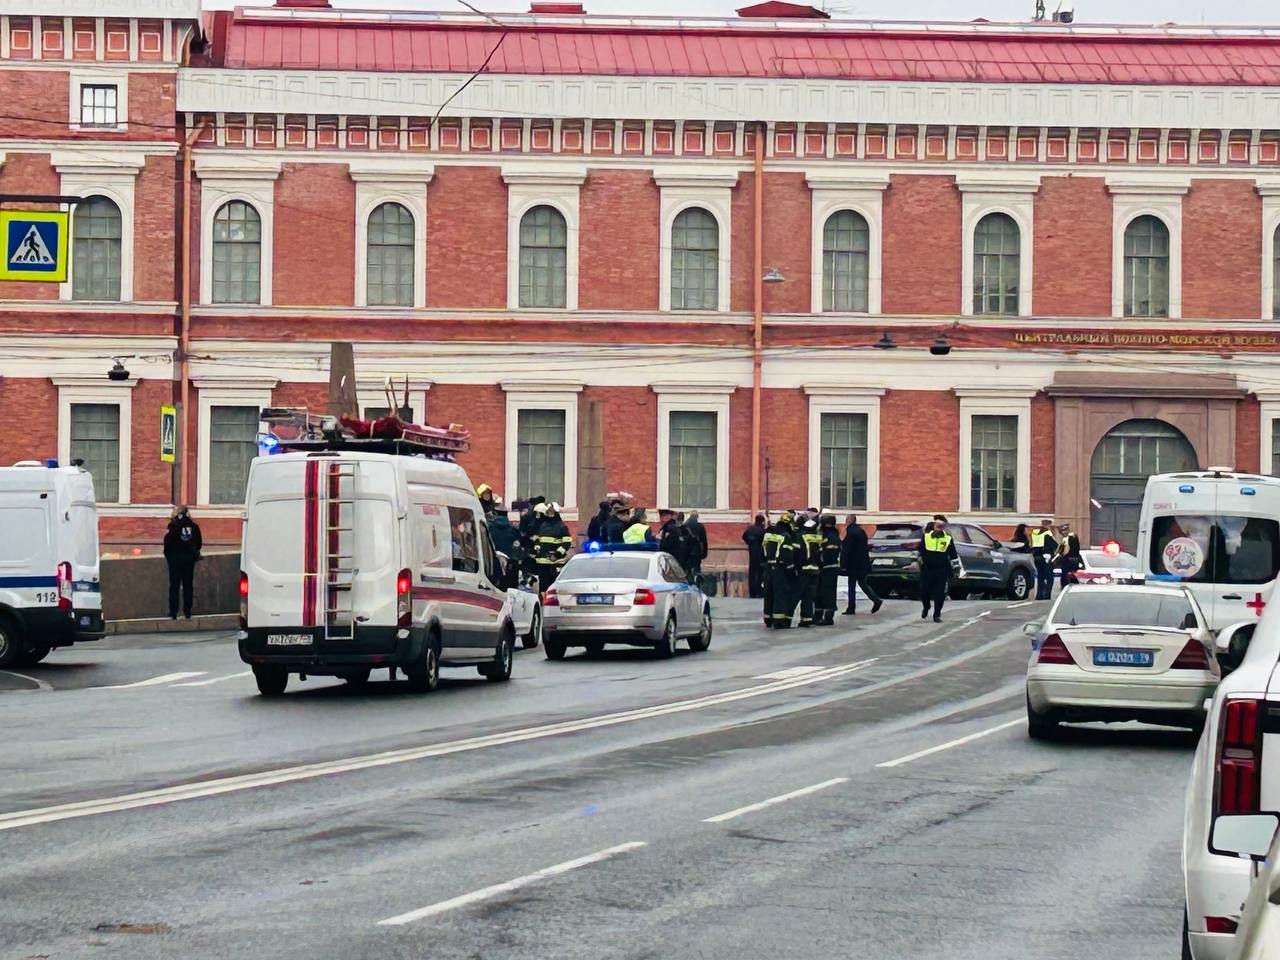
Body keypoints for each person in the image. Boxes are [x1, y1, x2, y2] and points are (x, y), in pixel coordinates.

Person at [163, 505, 203, 620]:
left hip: (175, 561)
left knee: (174, 586)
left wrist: (170, 557)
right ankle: (187, 611)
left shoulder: (173, 527)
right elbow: (199, 543)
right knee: (188, 586)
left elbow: (168, 544)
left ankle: (173, 612)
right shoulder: (194, 527)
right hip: (189, 560)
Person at [762, 510, 799, 629]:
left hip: (768, 568)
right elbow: (787, 557)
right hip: (780, 570)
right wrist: (791, 571)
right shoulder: (785, 537)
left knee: (768, 594)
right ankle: (779, 620)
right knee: (779, 594)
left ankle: (768, 618)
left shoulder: (768, 535)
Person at [918, 516, 958, 623]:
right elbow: (920, 552)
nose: (939, 528)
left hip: (941, 569)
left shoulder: (947, 538)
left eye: (942, 526)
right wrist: (918, 562)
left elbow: (953, 555)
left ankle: (937, 614)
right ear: (934, 526)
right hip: (927, 569)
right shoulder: (926, 537)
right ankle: (926, 606)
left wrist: (957, 569)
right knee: (924, 591)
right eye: (938, 526)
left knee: (939, 593)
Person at [841, 514, 882, 615]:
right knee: (862, 583)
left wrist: (843, 563)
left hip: (853, 564)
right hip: (863, 562)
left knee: (852, 585)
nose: (846, 521)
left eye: (847, 519)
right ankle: (876, 600)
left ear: (850, 520)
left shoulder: (850, 532)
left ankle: (851, 608)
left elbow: (847, 549)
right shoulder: (861, 531)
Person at [533, 502, 572, 593]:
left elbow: (566, 543)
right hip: (543, 563)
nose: (549, 514)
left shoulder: (561, 527)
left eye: (551, 512)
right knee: (543, 589)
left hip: (556, 563)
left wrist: (557, 554)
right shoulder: (542, 526)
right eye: (548, 512)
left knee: (554, 588)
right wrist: (537, 547)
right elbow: (538, 540)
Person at [815, 512, 842, 625]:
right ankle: (817, 615)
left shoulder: (832, 537)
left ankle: (828, 617)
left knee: (828, 593)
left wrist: (820, 556)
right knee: (819, 593)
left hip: (829, 568)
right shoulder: (825, 535)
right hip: (823, 569)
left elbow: (829, 554)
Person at [796, 516, 823, 627]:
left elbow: (799, 555)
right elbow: (821, 556)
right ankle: (808, 618)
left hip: (804, 570)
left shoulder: (802, 538)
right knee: (810, 596)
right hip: (815, 571)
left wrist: (797, 568)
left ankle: (800, 619)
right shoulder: (818, 538)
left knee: (800, 595)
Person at [1030, 518, 1059, 600]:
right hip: (1046, 558)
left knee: (1040, 577)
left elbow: (1032, 544)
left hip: (1037, 558)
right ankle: (1047, 595)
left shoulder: (1035, 533)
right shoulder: (1047, 533)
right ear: (1048, 525)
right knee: (1050, 577)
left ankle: (1039, 595)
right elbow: (1055, 545)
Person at [742, 514, 766, 599]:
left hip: (751, 552)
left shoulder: (750, 529)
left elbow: (744, 537)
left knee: (752, 572)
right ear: (762, 521)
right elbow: (764, 541)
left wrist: (750, 543)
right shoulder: (762, 530)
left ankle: (752, 592)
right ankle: (759, 592)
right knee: (760, 573)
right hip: (760, 553)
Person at [684, 510, 708, 585]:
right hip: (697, 552)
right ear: (697, 517)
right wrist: (704, 554)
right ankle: (697, 582)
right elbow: (704, 541)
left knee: (688, 569)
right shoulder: (700, 526)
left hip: (687, 553)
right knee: (697, 568)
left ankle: (690, 583)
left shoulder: (685, 526)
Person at [1056, 522, 1083, 589]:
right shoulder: (1071, 536)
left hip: (1069, 559)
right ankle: (1072, 586)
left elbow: (1066, 550)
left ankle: (1067, 587)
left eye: (1062, 531)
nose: (1061, 533)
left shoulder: (1069, 537)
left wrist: (1061, 554)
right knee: (1070, 575)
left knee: (1067, 575)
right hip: (1073, 559)